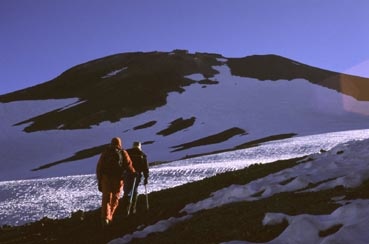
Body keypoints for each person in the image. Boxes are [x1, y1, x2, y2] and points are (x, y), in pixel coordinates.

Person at [96, 137, 136, 227]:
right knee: (115, 198)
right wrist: (133, 173)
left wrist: (100, 180)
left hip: (106, 178)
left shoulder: (106, 152)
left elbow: (99, 167)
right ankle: (110, 216)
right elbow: (129, 165)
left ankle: (106, 218)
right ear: (120, 143)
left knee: (106, 198)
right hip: (118, 179)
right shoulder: (122, 152)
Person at [122, 141, 149, 215]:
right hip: (137, 175)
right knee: (134, 191)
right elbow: (145, 168)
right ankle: (132, 208)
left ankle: (124, 207)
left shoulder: (127, 153)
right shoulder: (142, 155)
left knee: (126, 191)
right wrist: (146, 178)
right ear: (140, 146)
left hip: (127, 174)